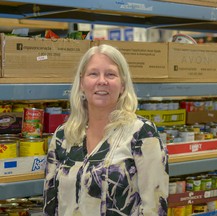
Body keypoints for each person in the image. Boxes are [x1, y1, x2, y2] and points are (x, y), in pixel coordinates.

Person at [43, 44, 169, 215]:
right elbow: (51, 205)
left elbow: (155, 208)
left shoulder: (142, 133)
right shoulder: (63, 136)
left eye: (110, 74)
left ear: (123, 85)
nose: (102, 81)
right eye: (93, 74)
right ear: (81, 83)